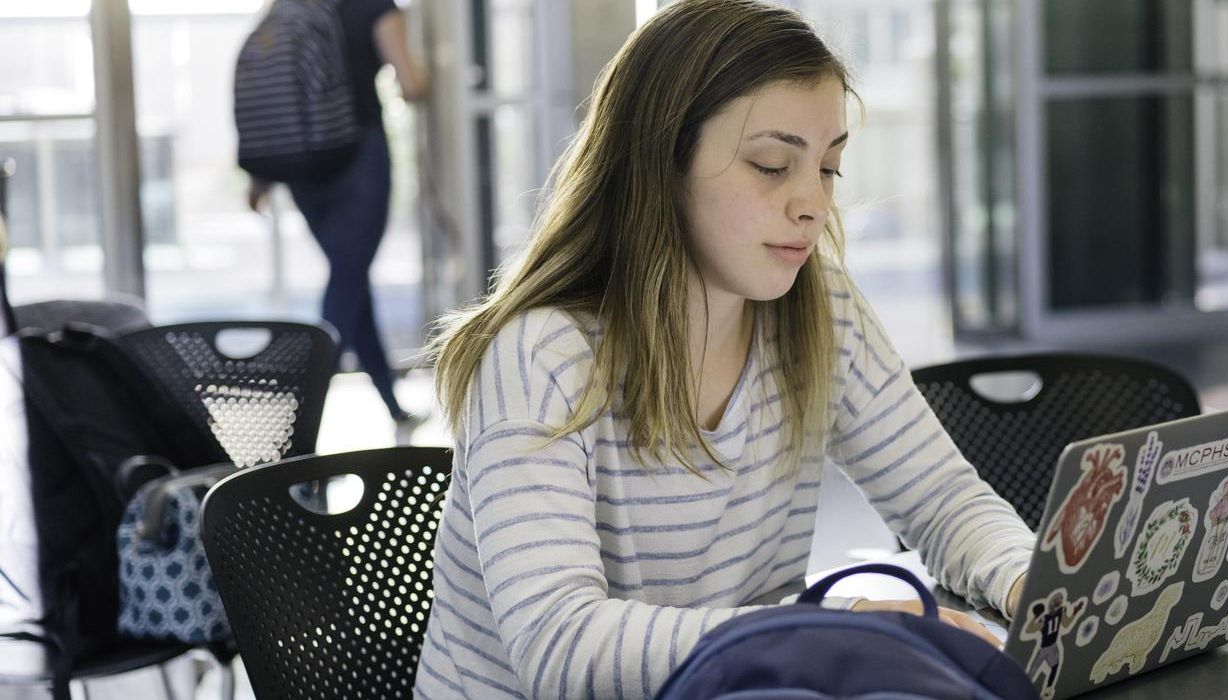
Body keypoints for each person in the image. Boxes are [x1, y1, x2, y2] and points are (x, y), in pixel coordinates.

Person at [412, 1, 1034, 696]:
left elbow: (942, 500)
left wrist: (1028, 584)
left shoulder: (821, 309)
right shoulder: (540, 357)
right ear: (662, 164)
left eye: (827, 169)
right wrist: (827, 626)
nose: (813, 204)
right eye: (772, 166)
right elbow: (561, 646)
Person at [246, 0, 429, 429]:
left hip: (303, 166)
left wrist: (259, 175)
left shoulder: (290, 6)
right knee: (346, 283)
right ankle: (299, 419)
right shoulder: (375, 6)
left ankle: (391, 404)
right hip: (359, 155)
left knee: (351, 280)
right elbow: (412, 85)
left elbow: (273, 90)